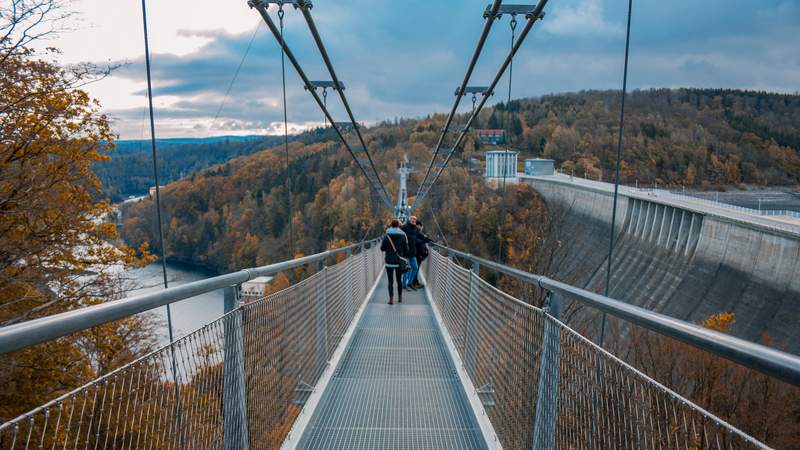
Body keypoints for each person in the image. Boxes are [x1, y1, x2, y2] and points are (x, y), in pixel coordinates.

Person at [380, 218, 409, 305]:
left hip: (389, 261)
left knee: (390, 281)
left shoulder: (387, 235)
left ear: (391, 225)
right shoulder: (403, 235)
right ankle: (400, 298)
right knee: (399, 280)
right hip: (399, 261)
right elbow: (406, 250)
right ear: (399, 226)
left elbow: (382, 248)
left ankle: (391, 299)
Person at [411, 220, 433, 289]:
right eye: (421, 226)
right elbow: (416, 241)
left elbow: (422, 238)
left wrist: (428, 240)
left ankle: (415, 282)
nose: (422, 228)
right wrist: (426, 240)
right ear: (418, 225)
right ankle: (414, 283)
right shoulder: (415, 231)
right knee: (416, 268)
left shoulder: (416, 231)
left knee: (416, 268)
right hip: (417, 253)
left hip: (418, 252)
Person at [400, 216, 420, 290]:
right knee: (407, 268)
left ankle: (410, 283)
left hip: (413, 252)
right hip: (405, 252)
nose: (414, 220)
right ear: (409, 219)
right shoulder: (404, 227)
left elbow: (420, 237)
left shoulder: (416, 229)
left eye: (415, 219)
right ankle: (404, 284)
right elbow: (400, 236)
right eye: (412, 219)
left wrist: (429, 240)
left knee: (415, 267)